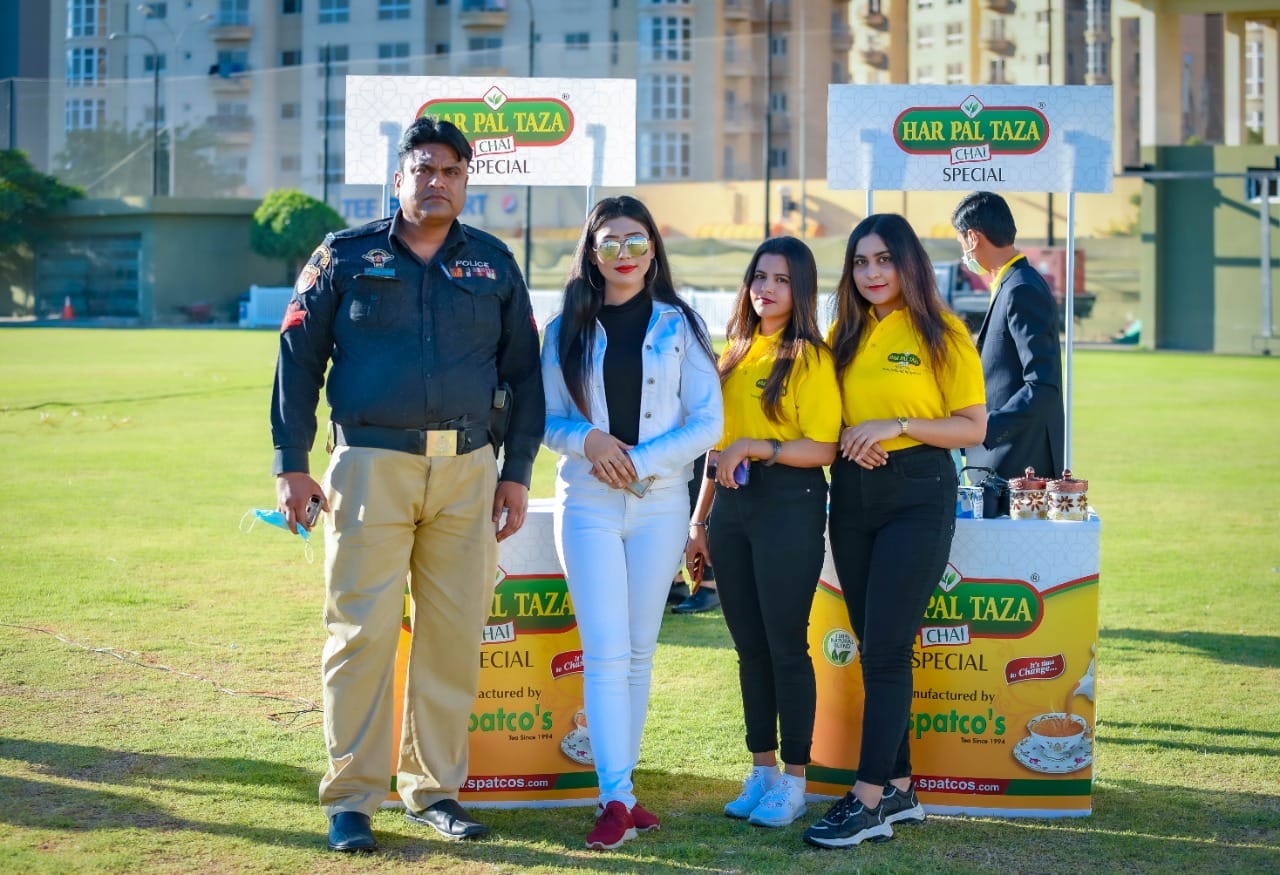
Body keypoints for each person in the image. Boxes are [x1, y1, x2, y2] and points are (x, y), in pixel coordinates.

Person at [270, 116, 544, 853]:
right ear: (399, 178)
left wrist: (516, 472)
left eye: (451, 171)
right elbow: (298, 358)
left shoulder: (493, 263)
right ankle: (351, 799)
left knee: (452, 638)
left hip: (468, 471)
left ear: (466, 182)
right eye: (424, 168)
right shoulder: (343, 256)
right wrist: (291, 463)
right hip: (370, 466)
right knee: (360, 635)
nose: (437, 181)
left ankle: (433, 790)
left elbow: (524, 375)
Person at [541, 196, 723, 850]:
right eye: (610, 241)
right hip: (588, 502)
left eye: (636, 240)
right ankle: (615, 797)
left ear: (653, 250)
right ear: (592, 253)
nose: (624, 253)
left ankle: (623, 791)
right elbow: (544, 419)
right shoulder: (564, 327)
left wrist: (640, 459)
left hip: (662, 502)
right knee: (605, 650)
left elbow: (709, 421)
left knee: (640, 652)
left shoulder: (681, 325)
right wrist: (588, 439)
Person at [802, 214, 985, 849]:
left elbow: (972, 426)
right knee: (871, 644)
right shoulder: (843, 336)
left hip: (918, 494)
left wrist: (897, 426)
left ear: (909, 264)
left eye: (883, 260)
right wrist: (852, 437)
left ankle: (868, 798)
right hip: (852, 495)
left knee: (885, 650)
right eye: (860, 261)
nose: (871, 273)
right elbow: (827, 418)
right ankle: (902, 788)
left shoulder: (943, 332)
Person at [685, 236, 840, 829]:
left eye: (780, 279)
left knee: (785, 647)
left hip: (788, 506)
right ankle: (763, 771)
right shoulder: (735, 351)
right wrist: (699, 521)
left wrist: (758, 446)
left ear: (801, 290)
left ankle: (796, 780)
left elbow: (823, 448)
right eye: (759, 276)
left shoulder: (811, 358)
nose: (766, 288)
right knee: (749, 648)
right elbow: (716, 449)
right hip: (731, 510)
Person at [952, 191, 1065, 509]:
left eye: (961, 242)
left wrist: (984, 429)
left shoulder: (1022, 288)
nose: (963, 253)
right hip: (1003, 458)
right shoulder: (1009, 283)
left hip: (1018, 463)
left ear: (973, 238)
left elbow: (1042, 384)